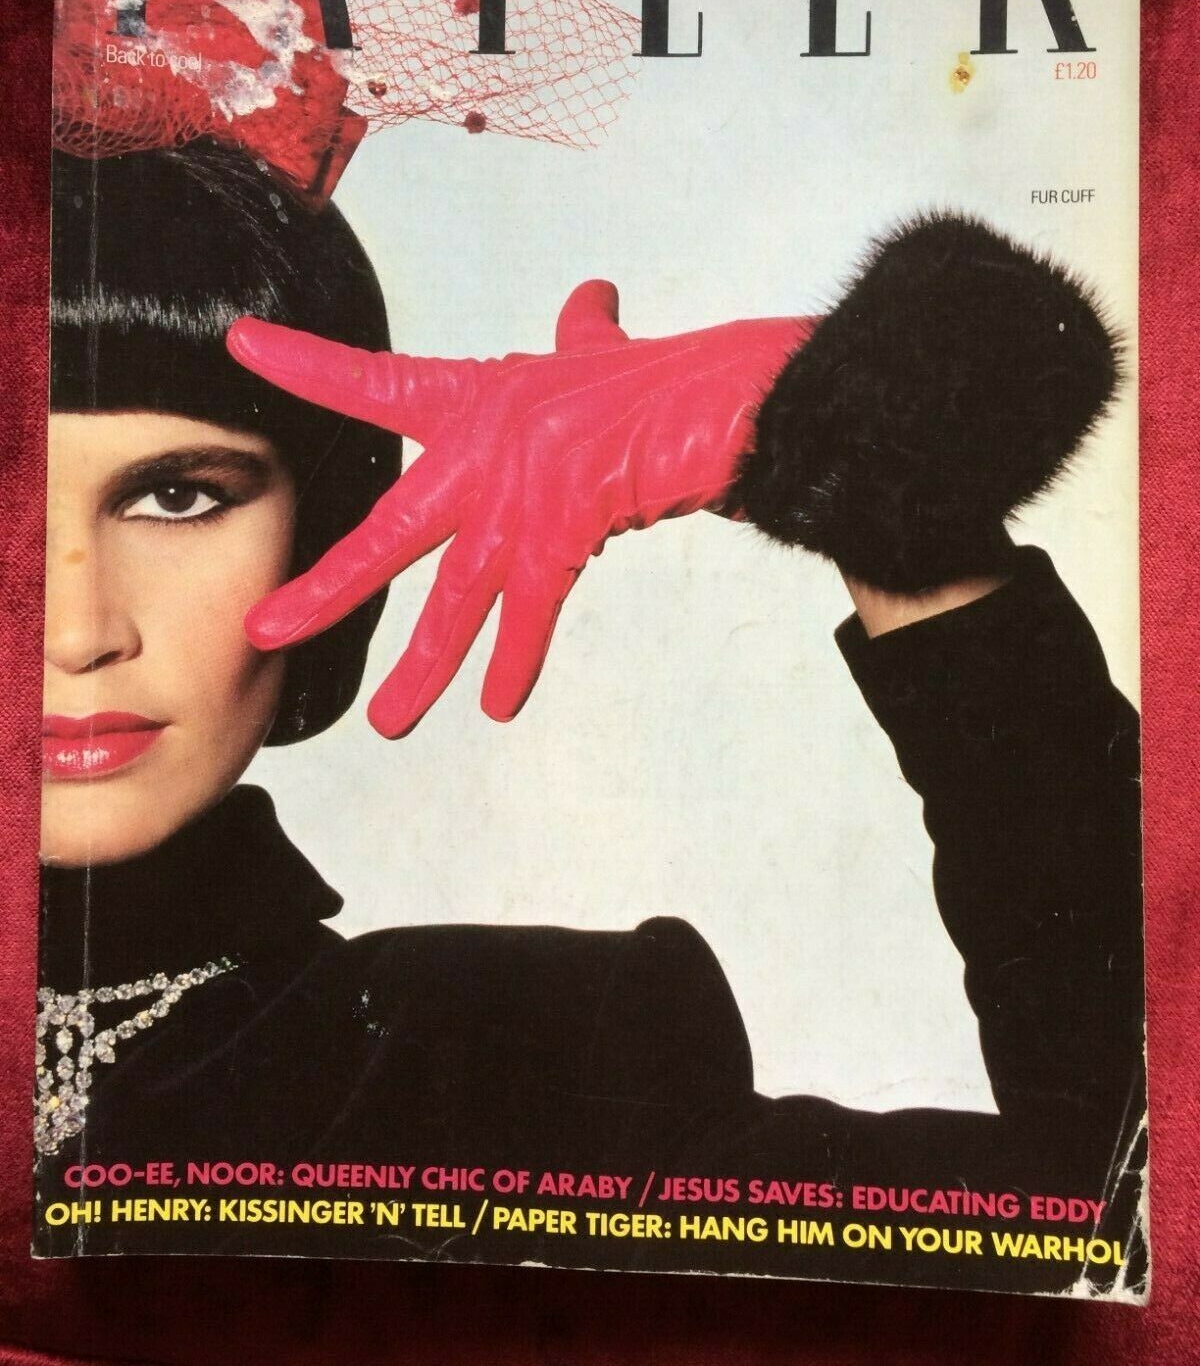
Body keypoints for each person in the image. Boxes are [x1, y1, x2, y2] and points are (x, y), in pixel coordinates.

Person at [37, 144, 1145, 1297]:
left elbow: (1123, 1235)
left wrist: (881, 481)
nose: (77, 630)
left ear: (324, 529)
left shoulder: (507, 1070)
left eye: (178, 495)